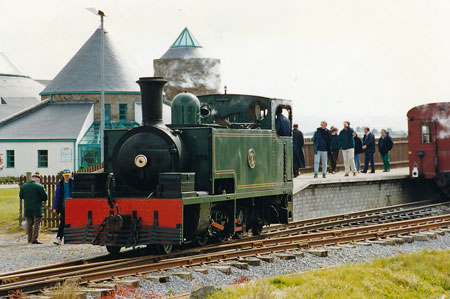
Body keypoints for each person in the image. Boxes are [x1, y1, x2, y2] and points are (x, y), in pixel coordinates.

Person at [19, 172, 48, 244]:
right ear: (38, 180)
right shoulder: (40, 186)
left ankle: (29, 239)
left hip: (27, 207)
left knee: (29, 224)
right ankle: (34, 239)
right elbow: (45, 197)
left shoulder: (24, 186)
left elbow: (21, 196)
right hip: (37, 208)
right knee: (36, 224)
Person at [53, 169, 74, 245]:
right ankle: (59, 238)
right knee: (63, 222)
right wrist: (55, 207)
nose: (66, 177)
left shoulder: (73, 182)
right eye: (65, 175)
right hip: (63, 206)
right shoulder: (60, 184)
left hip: (73, 205)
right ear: (63, 176)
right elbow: (57, 196)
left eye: (68, 175)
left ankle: (70, 238)